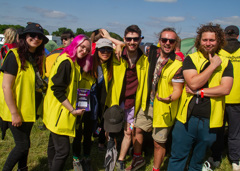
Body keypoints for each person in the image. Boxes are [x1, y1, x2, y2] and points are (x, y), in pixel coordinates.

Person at [167, 23, 233, 171]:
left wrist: (200, 92)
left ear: (219, 41)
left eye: (212, 40)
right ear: (199, 41)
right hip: (186, 118)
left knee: (197, 161)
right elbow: (193, 82)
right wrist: (212, 66)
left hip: (210, 120)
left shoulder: (226, 62)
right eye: (205, 40)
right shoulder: (191, 58)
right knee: (177, 157)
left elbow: (226, 88)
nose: (208, 43)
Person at [128, 28, 184, 171]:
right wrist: (118, 45)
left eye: (171, 41)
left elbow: (178, 90)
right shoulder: (152, 52)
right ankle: (138, 158)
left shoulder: (177, 65)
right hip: (147, 104)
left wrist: (170, 98)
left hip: (164, 108)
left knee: (158, 143)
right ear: (159, 41)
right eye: (164, 40)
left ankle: (155, 169)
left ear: (175, 43)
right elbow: (131, 44)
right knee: (137, 130)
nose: (167, 43)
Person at [0, 22, 49, 171]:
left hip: (30, 109)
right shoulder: (14, 56)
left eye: (39, 36)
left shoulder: (38, 58)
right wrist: (14, 113)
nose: (36, 38)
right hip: (15, 110)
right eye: (32, 35)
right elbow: (6, 86)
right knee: (22, 145)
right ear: (24, 37)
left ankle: (23, 168)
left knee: (26, 143)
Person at [43, 34, 92, 171]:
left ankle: (51, 167)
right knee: (63, 151)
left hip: (54, 111)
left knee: (53, 145)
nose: (84, 51)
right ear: (75, 44)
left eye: (87, 50)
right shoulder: (67, 62)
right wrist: (72, 110)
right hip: (60, 113)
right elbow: (57, 89)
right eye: (82, 47)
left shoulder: (70, 60)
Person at [104, 25, 149, 171]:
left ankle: (121, 159)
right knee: (111, 131)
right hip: (116, 100)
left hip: (133, 102)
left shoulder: (145, 58)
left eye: (135, 39)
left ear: (140, 40)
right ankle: (110, 152)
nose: (132, 42)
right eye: (128, 39)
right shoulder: (116, 54)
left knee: (129, 131)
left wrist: (117, 41)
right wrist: (116, 43)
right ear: (124, 39)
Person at [209, 25, 240, 171]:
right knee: (235, 131)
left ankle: (216, 157)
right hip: (237, 99)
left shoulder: (217, 52)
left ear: (224, 36)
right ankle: (235, 160)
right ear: (238, 36)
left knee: (217, 130)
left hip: (219, 97)